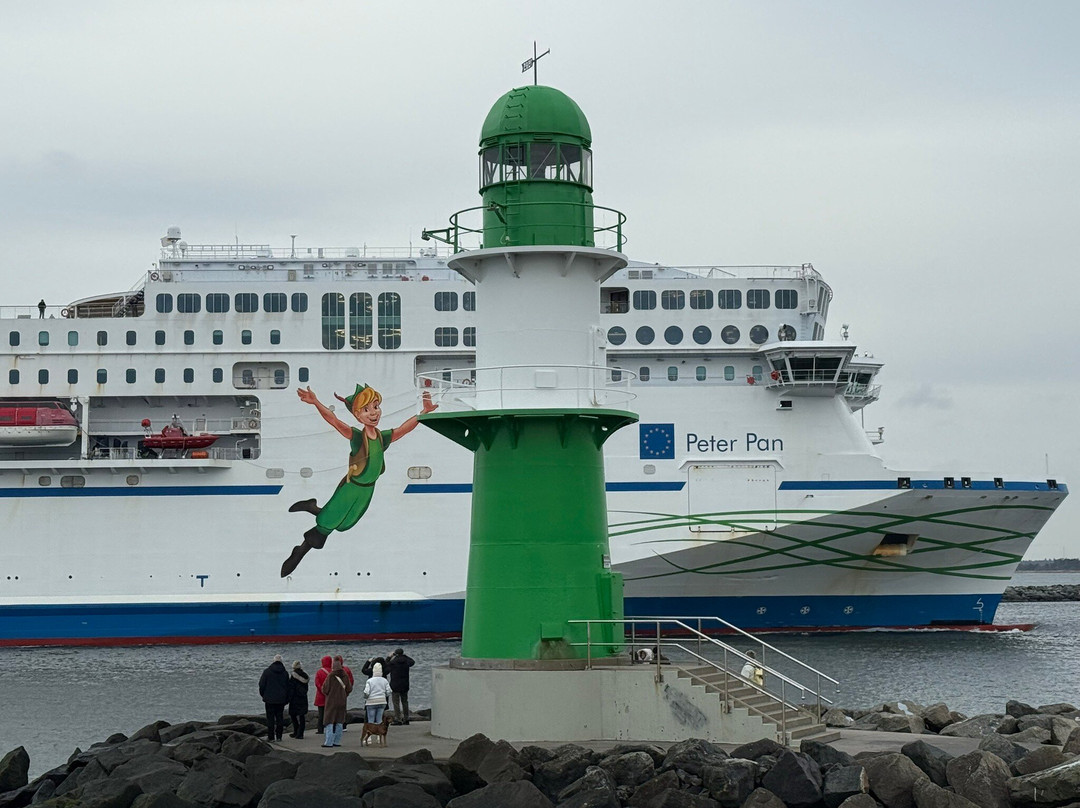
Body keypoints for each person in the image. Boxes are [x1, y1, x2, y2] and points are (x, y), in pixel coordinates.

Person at [281, 384, 438, 577]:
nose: (373, 413)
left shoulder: (381, 437)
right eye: (366, 410)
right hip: (352, 488)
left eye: (375, 406)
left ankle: (312, 506)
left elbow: (403, 430)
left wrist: (424, 413)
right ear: (357, 415)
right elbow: (335, 422)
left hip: (366, 490)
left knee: (345, 523)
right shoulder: (357, 437)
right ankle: (300, 551)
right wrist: (315, 402)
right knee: (328, 523)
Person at [321, 658, 352, 747]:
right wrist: (344, 694)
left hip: (331, 701)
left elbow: (325, 689)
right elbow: (349, 688)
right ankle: (337, 741)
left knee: (329, 721)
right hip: (342, 701)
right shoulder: (345, 675)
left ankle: (328, 742)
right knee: (339, 721)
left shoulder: (330, 676)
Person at [258, 654, 290, 741]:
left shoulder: (267, 672)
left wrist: (264, 695)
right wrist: (286, 699)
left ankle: (271, 737)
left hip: (269, 700)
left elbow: (261, 685)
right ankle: (279, 737)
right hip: (281, 700)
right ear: (281, 661)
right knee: (280, 718)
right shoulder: (285, 673)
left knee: (270, 719)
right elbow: (288, 687)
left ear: (273, 661)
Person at [386, 647, 415, 725]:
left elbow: (385, 665)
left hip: (395, 685)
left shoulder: (393, 662)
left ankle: (398, 719)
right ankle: (406, 718)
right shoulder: (407, 662)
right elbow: (413, 662)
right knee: (405, 702)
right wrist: (404, 656)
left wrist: (389, 657)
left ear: (395, 654)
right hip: (405, 684)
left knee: (396, 702)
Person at [362, 661, 391, 727]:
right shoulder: (384, 680)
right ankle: (379, 735)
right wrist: (385, 696)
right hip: (382, 701)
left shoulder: (370, 681)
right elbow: (389, 691)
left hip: (371, 702)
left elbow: (366, 692)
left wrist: (366, 698)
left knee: (371, 720)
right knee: (379, 720)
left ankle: (370, 736)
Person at [287, 661, 309, 739]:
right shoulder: (305, 676)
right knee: (302, 716)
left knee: (293, 715)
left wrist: (288, 698)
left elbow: (291, 688)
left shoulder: (293, 676)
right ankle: (300, 733)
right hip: (303, 698)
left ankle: (296, 731)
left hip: (295, 698)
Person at [313, 655, 332, 734]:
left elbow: (317, 683)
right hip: (330, 696)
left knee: (321, 714)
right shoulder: (332, 671)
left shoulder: (319, 672)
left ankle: (320, 729)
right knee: (330, 713)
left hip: (320, 696)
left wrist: (322, 690)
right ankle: (330, 729)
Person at [335, 654, 354, 730]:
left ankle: (337, 724)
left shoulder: (333, 671)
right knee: (343, 707)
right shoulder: (347, 669)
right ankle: (344, 725)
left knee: (335, 708)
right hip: (344, 692)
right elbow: (351, 680)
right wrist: (348, 691)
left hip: (335, 693)